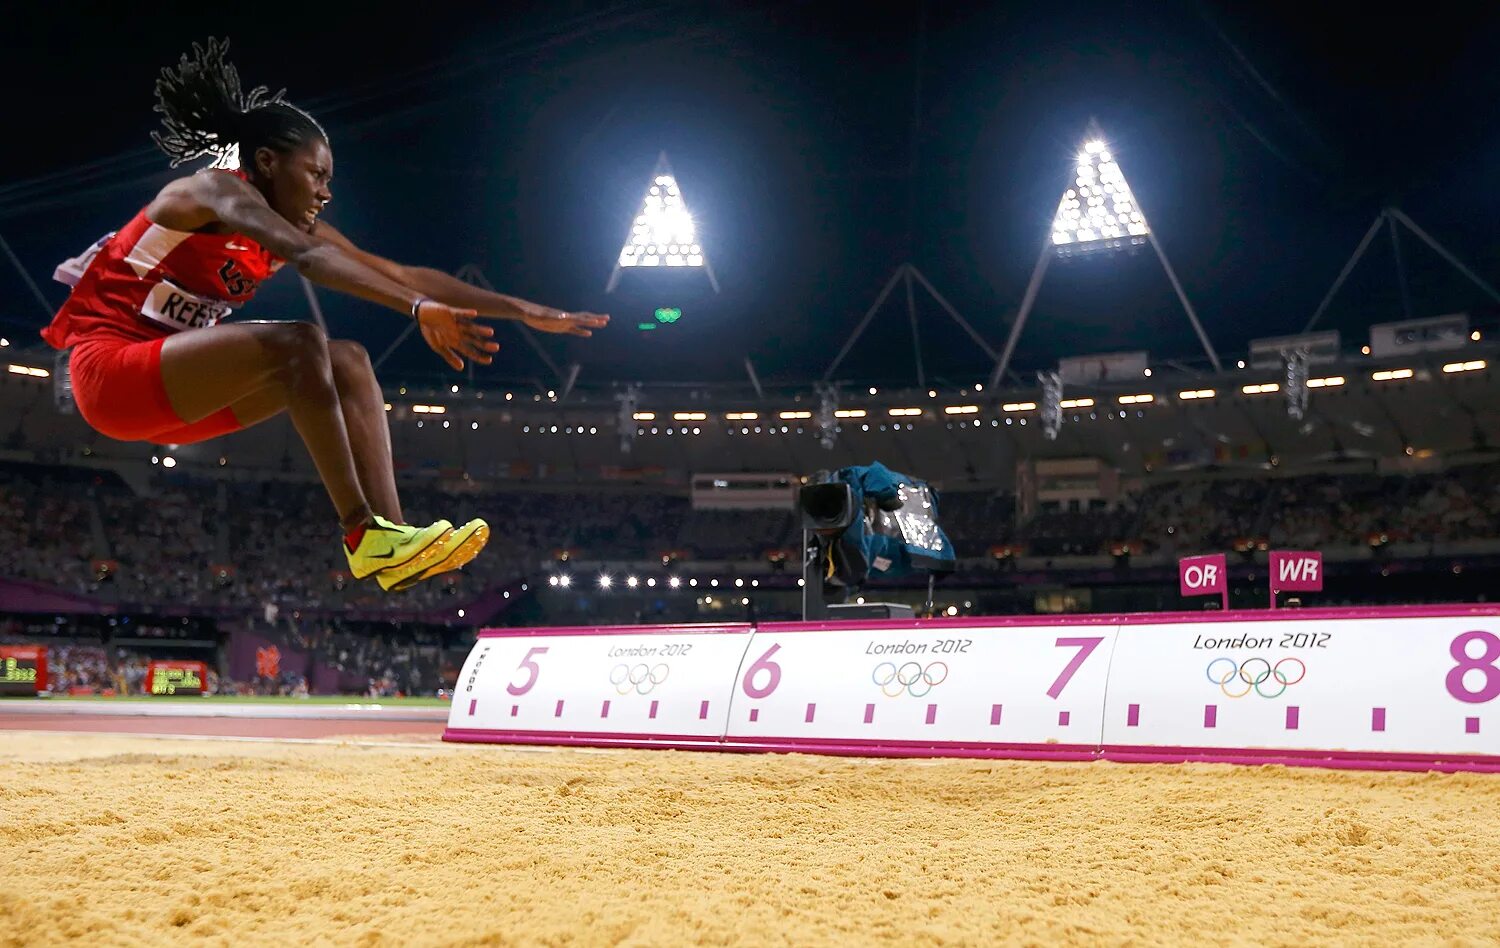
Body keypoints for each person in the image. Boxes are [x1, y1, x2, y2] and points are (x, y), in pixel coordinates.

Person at [40, 39, 609, 592]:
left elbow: (401, 273)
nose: (325, 192)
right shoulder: (212, 192)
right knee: (299, 343)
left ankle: (393, 540)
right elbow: (310, 259)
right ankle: (361, 531)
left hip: (176, 401)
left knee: (350, 361)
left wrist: (521, 309)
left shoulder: (292, 225)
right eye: (316, 175)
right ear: (266, 162)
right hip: (110, 376)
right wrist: (418, 310)